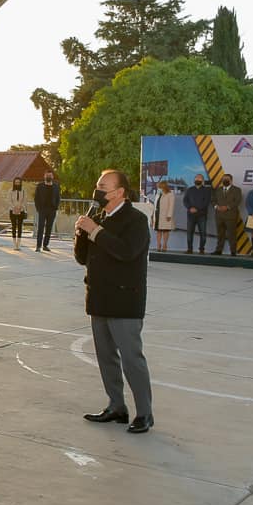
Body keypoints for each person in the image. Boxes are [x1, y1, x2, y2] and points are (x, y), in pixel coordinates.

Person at [74, 169, 154, 434]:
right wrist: (80, 233)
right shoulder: (97, 217)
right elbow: (83, 258)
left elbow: (126, 252)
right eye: (97, 185)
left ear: (120, 192)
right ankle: (116, 406)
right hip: (98, 299)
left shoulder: (136, 220)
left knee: (132, 359)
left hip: (124, 300)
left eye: (103, 187)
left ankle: (144, 413)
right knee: (106, 357)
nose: (98, 191)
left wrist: (95, 231)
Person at [211, 174, 242, 256]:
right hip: (219, 216)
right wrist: (216, 207)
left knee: (232, 234)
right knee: (220, 234)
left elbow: (237, 201)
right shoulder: (218, 190)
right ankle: (218, 250)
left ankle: (233, 251)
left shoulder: (237, 190)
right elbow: (213, 200)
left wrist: (227, 207)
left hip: (231, 216)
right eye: (224, 179)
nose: (225, 180)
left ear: (231, 180)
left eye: (227, 179)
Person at [182, 175, 210, 254]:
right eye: (196, 178)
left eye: (199, 178)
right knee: (189, 233)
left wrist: (196, 209)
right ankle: (189, 249)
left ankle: (201, 250)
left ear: (202, 181)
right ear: (194, 180)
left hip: (202, 215)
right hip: (191, 215)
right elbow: (185, 200)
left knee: (203, 233)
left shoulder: (207, 190)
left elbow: (206, 202)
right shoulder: (190, 190)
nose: (197, 180)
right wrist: (190, 208)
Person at [33, 171, 60, 252]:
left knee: (49, 228)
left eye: (50, 175)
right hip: (42, 210)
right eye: (47, 175)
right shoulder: (40, 186)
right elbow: (36, 198)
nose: (48, 176)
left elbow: (58, 197)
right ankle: (38, 246)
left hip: (52, 210)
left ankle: (45, 245)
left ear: (52, 176)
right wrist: (38, 208)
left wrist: (56, 208)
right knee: (40, 228)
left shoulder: (56, 186)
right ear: (44, 176)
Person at [152, 181, 175, 253]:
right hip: (157, 214)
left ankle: (165, 245)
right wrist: (153, 214)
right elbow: (155, 205)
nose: (158, 188)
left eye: (159, 186)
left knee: (165, 230)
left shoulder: (170, 194)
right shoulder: (158, 194)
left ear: (163, 186)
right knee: (158, 231)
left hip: (165, 215)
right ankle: (158, 245)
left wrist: (169, 215)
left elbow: (171, 205)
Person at [6, 177, 26, 250]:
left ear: (20, 183)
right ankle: (14, 244)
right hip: (12, 210)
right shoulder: (10, 190)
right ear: (14, 183)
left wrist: (20, 207)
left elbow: (24, 200)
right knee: (14, 226)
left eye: (18, 182)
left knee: (20, 227)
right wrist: (14, 207)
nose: (17, 183)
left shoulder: (23, 190)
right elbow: (9, 200)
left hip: (21, 210)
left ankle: (19, 243)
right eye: (16, 182)